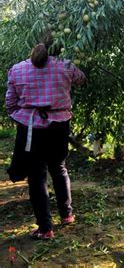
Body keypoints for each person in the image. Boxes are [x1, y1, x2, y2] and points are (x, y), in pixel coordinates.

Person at [5, 32, 85, 240]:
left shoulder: (18, 69)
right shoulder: (66, 65)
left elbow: (10, 105)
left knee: (36, 176)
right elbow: (81, 79)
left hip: (31, 128)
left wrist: (24, 117)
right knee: (58, 168)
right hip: (59, 127)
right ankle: (67, 215)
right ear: (58, 47)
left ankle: (45, 228)